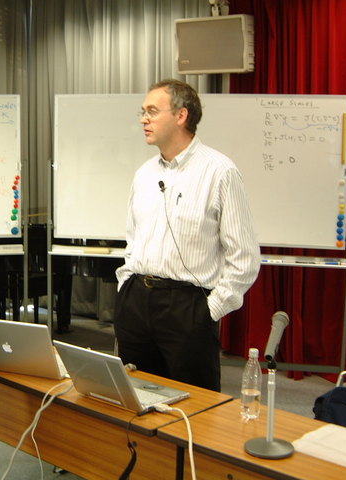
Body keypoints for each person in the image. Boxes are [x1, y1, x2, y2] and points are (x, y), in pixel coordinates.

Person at [113, 79, 261, 392]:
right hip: (136, 301)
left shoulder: (220, 172)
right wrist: (126, 286)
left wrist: (211, 310)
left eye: (152, 111)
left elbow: (244, 257)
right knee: (136, 396)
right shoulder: (144, 174)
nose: (144, 119)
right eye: (142, 112)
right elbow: (133, 239)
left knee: (195, 404)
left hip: (187, 306)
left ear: (181, 115)